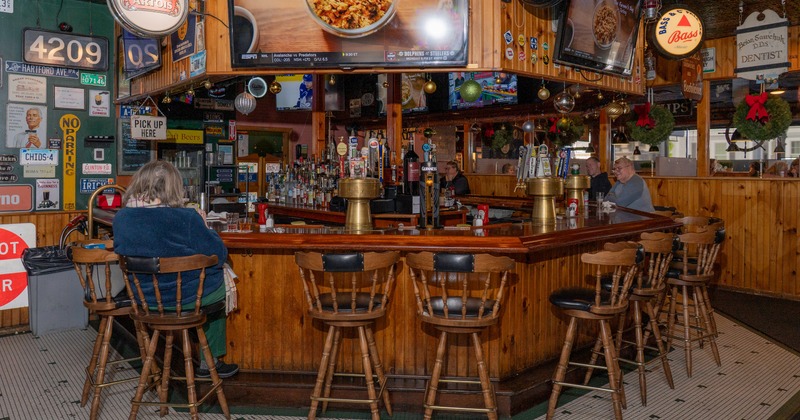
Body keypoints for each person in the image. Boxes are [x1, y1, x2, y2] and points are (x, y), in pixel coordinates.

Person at [113, 160, 239, 378]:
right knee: (221, 283)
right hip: (185, 299)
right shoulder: (186, 217)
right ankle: (210, 362)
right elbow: (219, 255)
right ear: (173, 187)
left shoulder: (121, 218)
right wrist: (204, 225)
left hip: (144, 300)